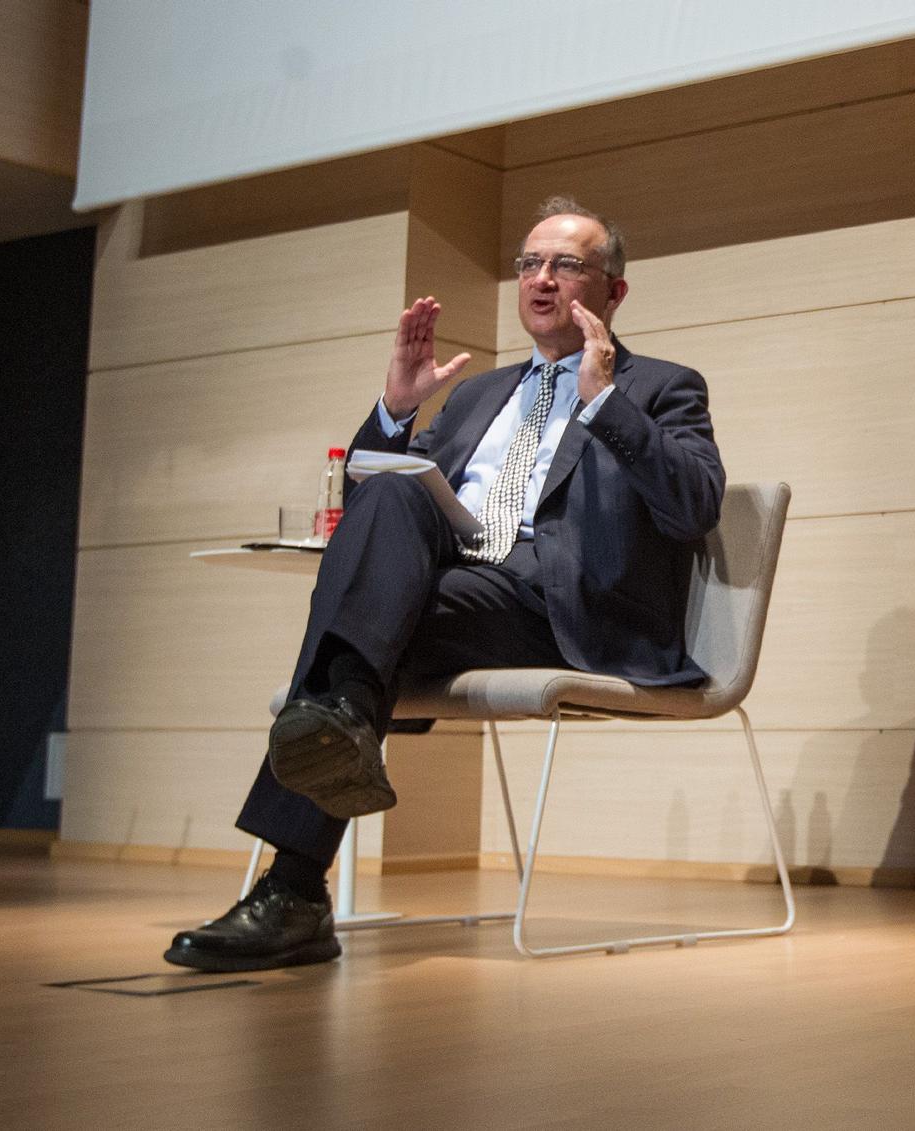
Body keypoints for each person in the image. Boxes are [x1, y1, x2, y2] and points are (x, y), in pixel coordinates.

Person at [165, 197, 724, 971]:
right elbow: (368, 520)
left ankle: (293, 887)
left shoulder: (662, 387)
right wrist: (395, 412)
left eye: (566, 264)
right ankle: (342, 729)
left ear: (613, 292)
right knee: (394, 495)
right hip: (460, 585)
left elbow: (694, 504)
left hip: (558, 604)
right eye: (530, 263)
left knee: (358, 628)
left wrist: (603, 401)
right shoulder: (474, 394)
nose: (541, 279)